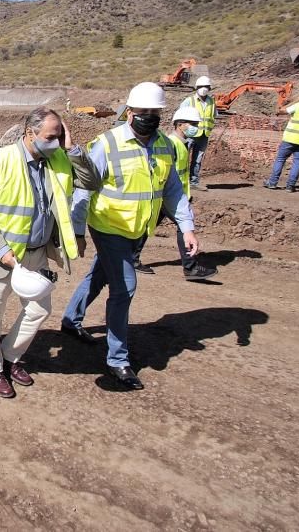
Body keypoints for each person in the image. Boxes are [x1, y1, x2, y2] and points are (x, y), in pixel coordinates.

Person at [62, 82, 200, 391]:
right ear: (129, 113)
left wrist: (186, 226)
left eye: (155, 112)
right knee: (125, 287)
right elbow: (83, 189)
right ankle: (118, 360)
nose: (149, 117)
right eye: (143, 112)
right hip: (109, 226)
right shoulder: (107, 144)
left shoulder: (165, 145)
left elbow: (173, 190)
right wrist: (78, 231)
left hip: (139, 229)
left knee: (101, 275)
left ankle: (71, 320)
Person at [0, 107, 100, 398]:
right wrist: (1, 250)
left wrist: (72, 148)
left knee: (40, 309)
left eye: (59, 136)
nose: (55, 141)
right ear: (30, 133)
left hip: (37, 253)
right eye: (51, 136)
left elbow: (92, 182)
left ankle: (9, 356)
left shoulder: (58, 159)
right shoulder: (0, 160)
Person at [132, 106, 217, 281]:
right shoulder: (171, 144)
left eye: (196, 123)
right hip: (167, 195)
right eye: (192, 123)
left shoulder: (182, 144)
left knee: (148, 226)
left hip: (171, 195)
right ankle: (190, 267)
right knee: (184, 226)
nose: (195, 127)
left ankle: (132, 258)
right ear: (179, 124)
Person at [180, 75, 216, 191]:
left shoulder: (211, 102)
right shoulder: (189, 101)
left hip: (203, 135)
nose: (204, 88)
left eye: (206, 86)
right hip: (189, 135)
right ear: (197, 87)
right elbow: (180, 117)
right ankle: (179, 181)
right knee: (182, 158)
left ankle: (193, 182)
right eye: (202, 86)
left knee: (197, 160)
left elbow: (214, 116)